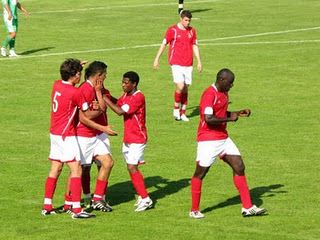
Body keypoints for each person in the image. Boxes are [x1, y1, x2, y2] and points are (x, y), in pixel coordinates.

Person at [189, 68, 267, 219]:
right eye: (230, 83)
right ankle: (194, 210)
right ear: (222, 80)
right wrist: (230, 119)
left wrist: (236, 113)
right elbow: (209, 118)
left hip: (223, 138)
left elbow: (220, 113)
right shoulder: (209, 94)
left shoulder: (224, 93)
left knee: (239, 166)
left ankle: (247, 207)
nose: (232, 86)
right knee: (200, 173)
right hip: (208, 140)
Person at [42, 58, 95, 219]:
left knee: (56, 168)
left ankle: (47, 205)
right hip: (67, 135)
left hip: (55, 133)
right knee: (76, 169)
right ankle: (77, 209)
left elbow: (67, 79)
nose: (80, 76)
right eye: (79, 73)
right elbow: (86, 111)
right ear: (75, 75)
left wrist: (77, 65)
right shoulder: (76, 93)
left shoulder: (57, 84)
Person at [103, 71, 153, 212]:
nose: (123, 85)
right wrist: (105, 93)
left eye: (126, 83)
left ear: (134, 84)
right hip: (129, 138)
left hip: (138, 138)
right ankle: (141, 195)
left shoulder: (138, 97)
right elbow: (118, 103)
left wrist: (102, 97)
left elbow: (120, 111)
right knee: (131, 168)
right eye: (122, 82)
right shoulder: (127, 95)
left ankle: (145, 198)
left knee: (132, 167)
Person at [76, 61, 116, 212]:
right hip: (85, 136)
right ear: (99, 75)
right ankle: (86, 197)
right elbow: (86, 116)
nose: (106, 76)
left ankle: (98, 198)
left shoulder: (100, 88)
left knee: (108, 163)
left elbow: (107, 104)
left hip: (99, 135)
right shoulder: (85, 90)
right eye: (105, 74)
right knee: (84, 169)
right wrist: (100, 110)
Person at [153, 10, 202, 122]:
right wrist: (157, 59)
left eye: (189, 20)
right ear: (181, 19)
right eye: (186, 20)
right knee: (180, 86)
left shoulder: (192, 31)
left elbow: (195, 46)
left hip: (188, 64)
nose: (188, 23)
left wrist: (199, 61)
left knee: (185, 88)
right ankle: (176, 108)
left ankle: (183, 112)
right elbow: (164, 44)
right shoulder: (172, 30)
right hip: (176, 63)